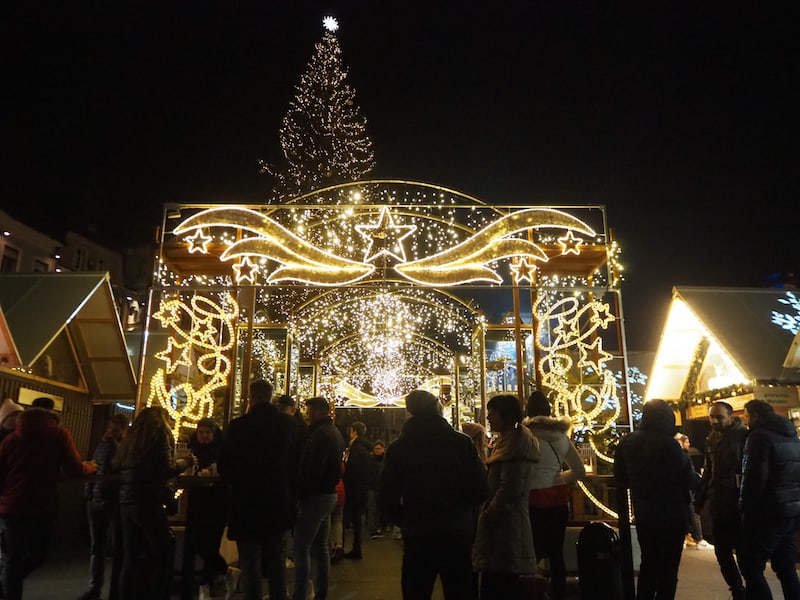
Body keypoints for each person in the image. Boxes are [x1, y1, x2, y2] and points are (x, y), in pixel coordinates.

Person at [380, 389, 488, 600]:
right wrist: (463, 511)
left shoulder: (399, 448)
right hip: (455, 531)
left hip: (418, 532)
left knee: (416, 591)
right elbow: (480, 488)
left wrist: (403, 519)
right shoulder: (461, 443)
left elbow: (387, 494)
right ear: (437, 409)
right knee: (460, 591)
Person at [0, 404, 98, 600]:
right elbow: (75, 469)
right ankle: (5, 583)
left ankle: (8, 589)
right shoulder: (59, 436)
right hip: (41, 506)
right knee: (38, 555)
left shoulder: (11, 440)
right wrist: (90, 467)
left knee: (12, 558)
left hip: (11, 507)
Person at [219, 380, 299, 600]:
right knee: (276, 560)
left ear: (250, 396)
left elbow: (225, 467)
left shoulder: (237, 426)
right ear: (271, 396)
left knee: (250, 561)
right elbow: (296, 464)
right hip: (277, 501)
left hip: (246, 503)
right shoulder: (287, 425)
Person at [614, 399, 700, 600]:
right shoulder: (669, 445)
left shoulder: (627, 442)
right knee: (668, 569)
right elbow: (688, 479)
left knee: (648, 563)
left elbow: (620, 477)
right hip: (672, 513)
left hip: (645, 512)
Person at [114, 406, 193, 600]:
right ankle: (157, 593)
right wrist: (186, 462)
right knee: (163, 551)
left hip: (126, 501)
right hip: (148, 500)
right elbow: (167, 468)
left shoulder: (132, 439)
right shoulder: (160, 433)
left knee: (131, 557)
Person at [473, 394, 540, 600]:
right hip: (503, 526)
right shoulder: (508, 441)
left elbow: (510, 489)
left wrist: (488, 515)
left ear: (506, 414)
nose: (489, 418)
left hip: (506, 527)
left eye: (492, 413)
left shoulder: (516, 445)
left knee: (499, 586)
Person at [523, 390, 586, 600]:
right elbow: (580, 471)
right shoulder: (561, 436)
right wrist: (558, 477)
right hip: (558, 500)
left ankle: (533, 593)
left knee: (532, 551)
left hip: (531, 498)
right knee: (556, 553)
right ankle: (558, 593)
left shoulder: (525, 435)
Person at [738, 399, 800, 600]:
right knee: (786, 567)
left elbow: (754, 479)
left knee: (750, 565)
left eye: (746, 416)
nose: (745, 421)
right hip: (790, 511)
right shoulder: (792, 436)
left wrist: (745, 508)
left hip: (768, 511)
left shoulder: (759, 437)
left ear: (754, 415)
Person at [293, 396, 345, 600]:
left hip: (315, 495)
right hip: (328, 493)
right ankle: (321, 591)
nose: (307, 415)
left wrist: (301, 491)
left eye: (308, 411)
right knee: (321, 546)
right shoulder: (334, 433)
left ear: (317, 412)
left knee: (302, 546)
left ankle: (300, 593)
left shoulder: (319, 435)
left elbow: (313, 468)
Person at [694, 401, 747, 600]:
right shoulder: (711, 439)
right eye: (712, 417)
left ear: (730, 417)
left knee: (743, 552)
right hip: (718, 504)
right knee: (722, 552)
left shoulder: (743, 436)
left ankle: (749, 587)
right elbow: (708, 471)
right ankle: (736, 588)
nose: (714, 421)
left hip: (738, 505)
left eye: (719, 417)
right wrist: (700, 499)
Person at [77, 414, 129, 600]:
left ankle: (96, 587)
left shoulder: (106, 445)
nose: (111, 431)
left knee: (98, 546)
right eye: (111, 427)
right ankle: (108, 588)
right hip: (109, 499)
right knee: (108, 545)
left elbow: (96, 468)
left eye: (114, 428)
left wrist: (89, 493)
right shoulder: (121, 446)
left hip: (100, 498)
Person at [187, 418, 237, 600]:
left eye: (208, 433)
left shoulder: (221, 453)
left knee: (209, 543)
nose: (204, 436)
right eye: (201, 432)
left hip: (217, 502)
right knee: (201, 544)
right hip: (198, 502)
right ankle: (224, 573)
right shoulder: (190, 450)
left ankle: (205, 586)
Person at [674, 433, 710, 549]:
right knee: (694, 513)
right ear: (681, 442)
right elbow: (689, 476)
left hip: (677, 492)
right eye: (687, 442)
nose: (689, 444)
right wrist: (699, 482)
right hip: (685, 490)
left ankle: (685, 537)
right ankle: (699, 539)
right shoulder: (683, 456)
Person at [342, 421, 371, 559]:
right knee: (357, 519)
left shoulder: (355, 449)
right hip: (361, 489)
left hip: (354, 489)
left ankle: (347, 547)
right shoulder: (364, 448)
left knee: (348, 518)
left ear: (354, 432)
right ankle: (356, 547)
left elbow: (353, 471)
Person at [367, 440, 386, 539]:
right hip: (372, 487)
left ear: (383, 449)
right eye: (376, 449)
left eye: (379, 449)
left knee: (379, 508)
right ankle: (372, 528)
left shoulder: (385, 461)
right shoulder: (371, 460)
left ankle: (378, 527)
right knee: (372, 508)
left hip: (380, 487)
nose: (377, 451)